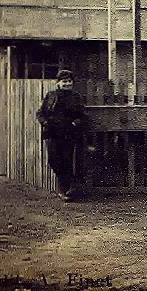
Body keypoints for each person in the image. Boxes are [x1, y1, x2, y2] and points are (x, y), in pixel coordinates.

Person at [36, 69, 88, 202]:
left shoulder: (76, 97)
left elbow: (83, 116)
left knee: (66, 160)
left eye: (69, 81)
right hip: (52, 133)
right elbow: (40, 113)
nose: (67, 84)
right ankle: (65, 187)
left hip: (68, 133)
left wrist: (75, 123)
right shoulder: (51, 95)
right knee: (53, 160)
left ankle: (64, 190)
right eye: (64, 81)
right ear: (58, 83)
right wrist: (45, 122)